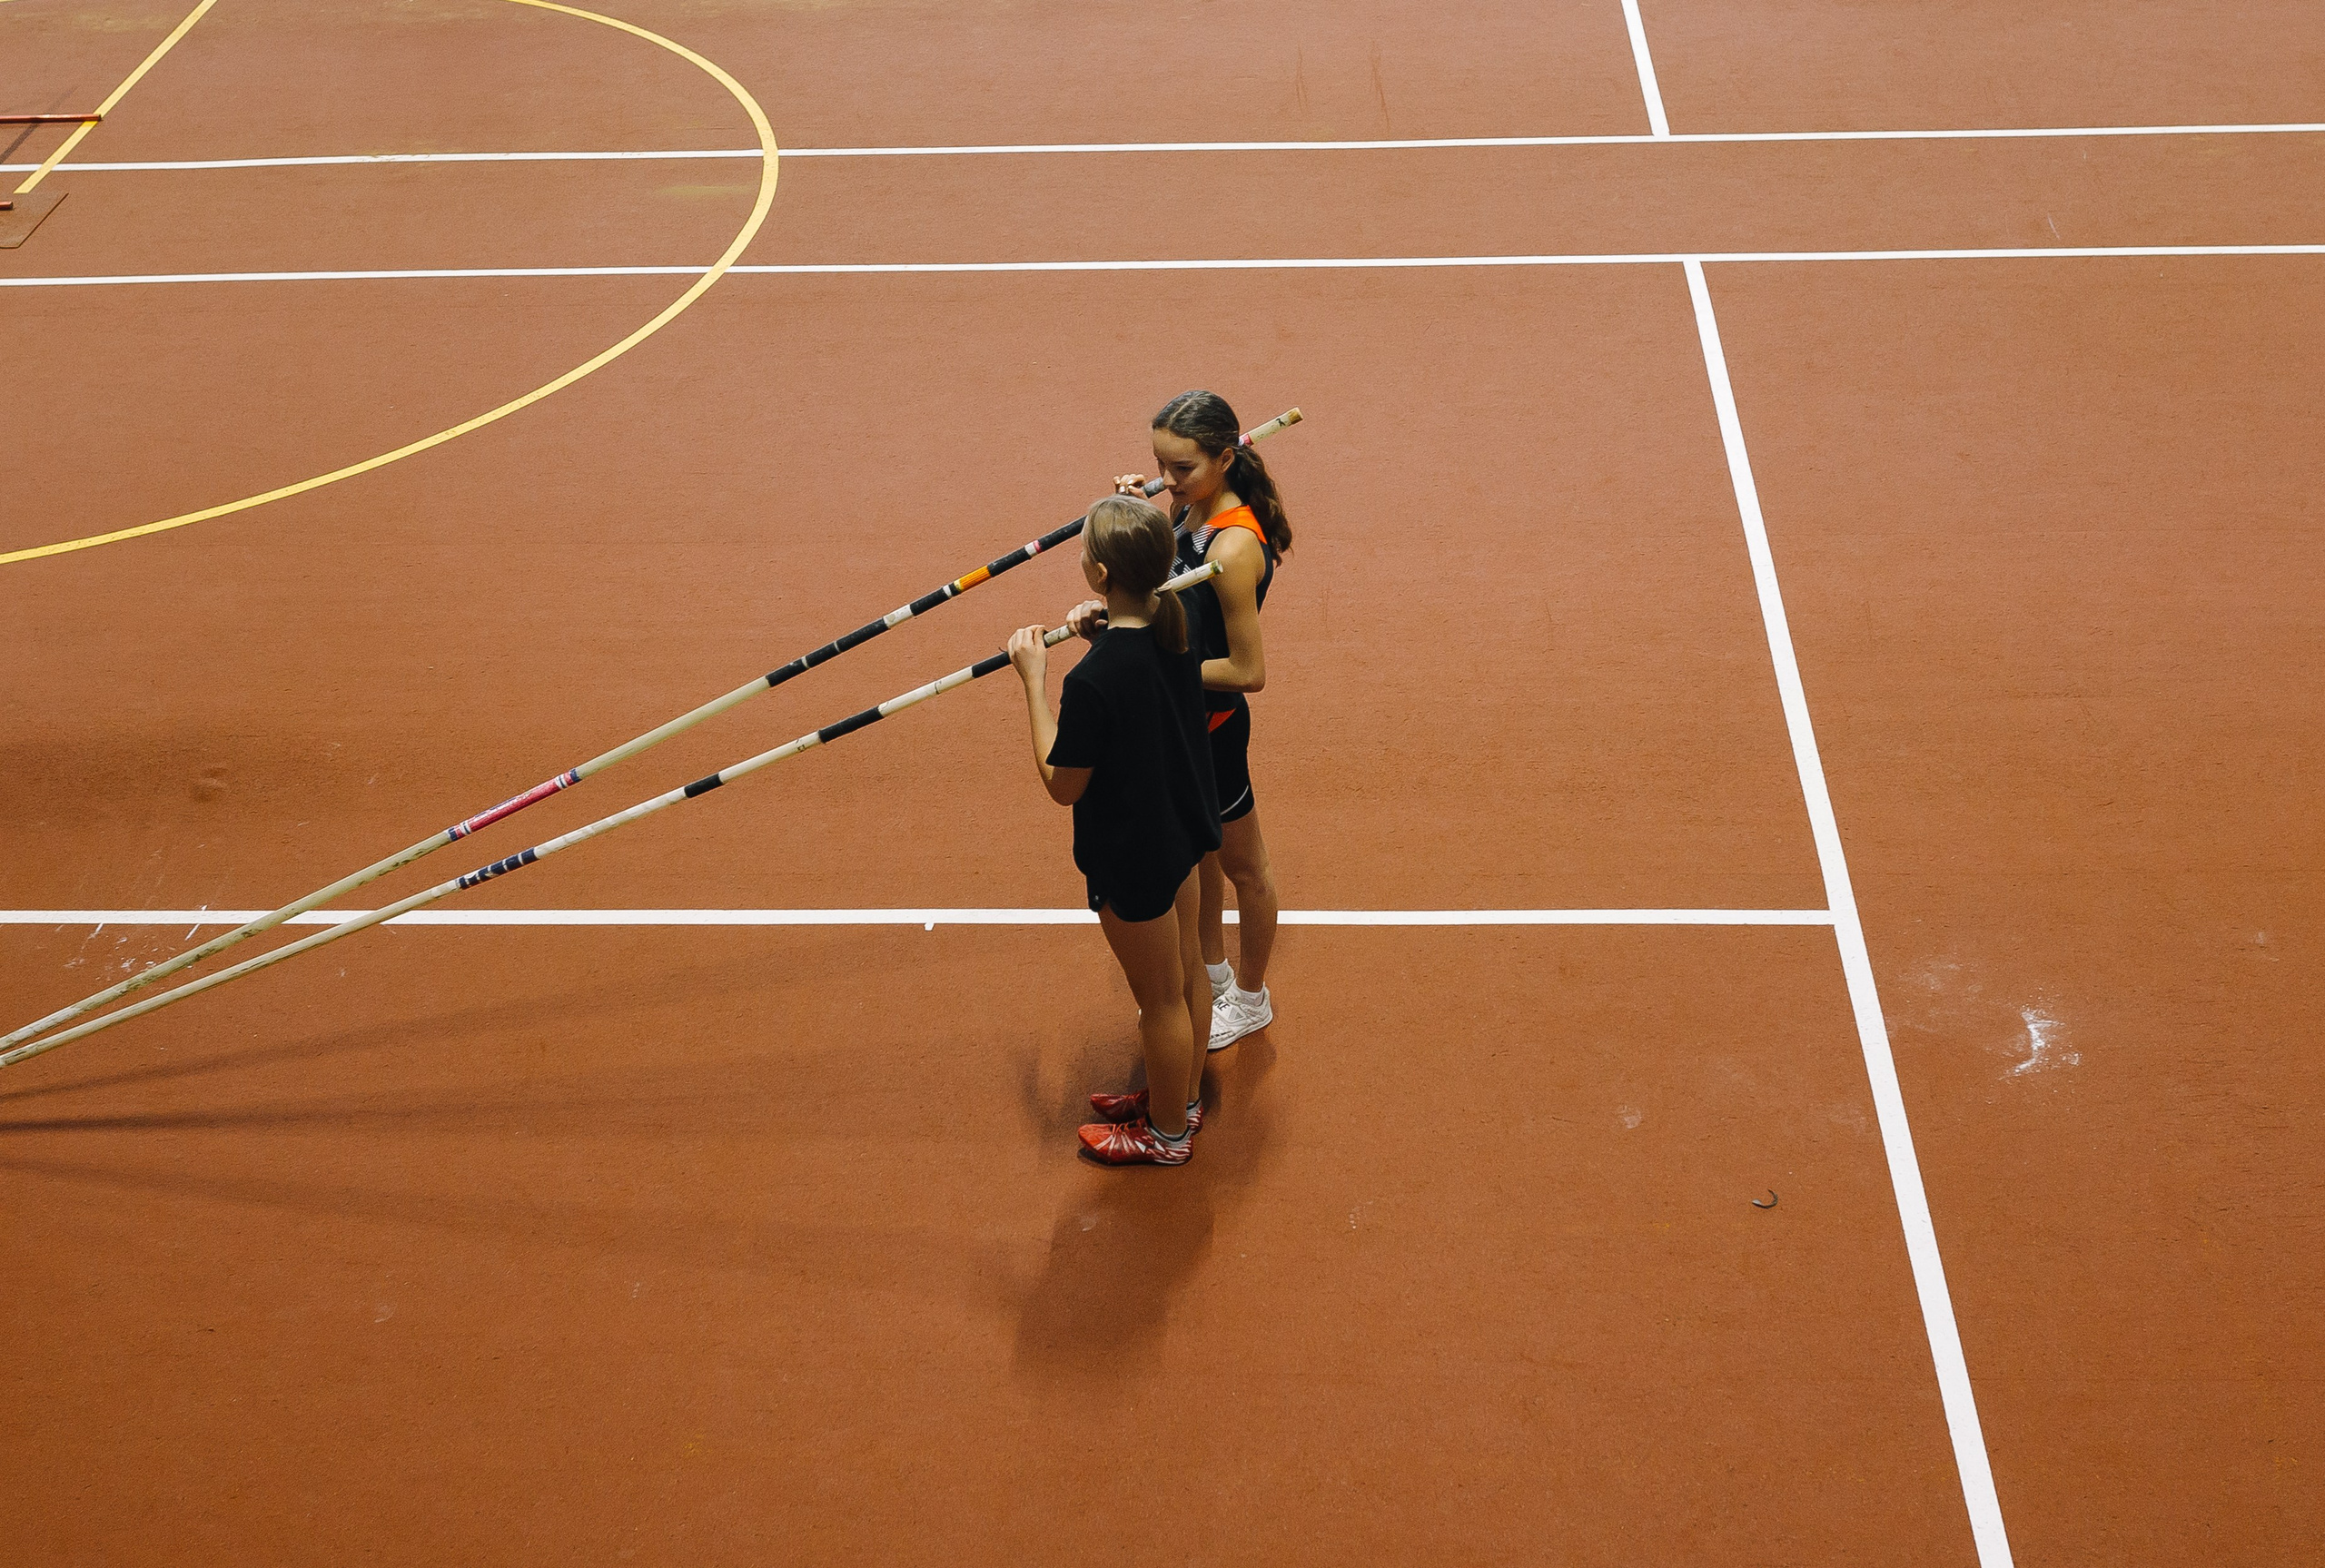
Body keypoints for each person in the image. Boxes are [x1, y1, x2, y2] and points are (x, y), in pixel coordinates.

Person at [1007, 495, 1221, 1165]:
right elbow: (1143, 649)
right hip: (1179, 830)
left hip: (1132, 853)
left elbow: (1062, 781)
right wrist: (1106, 628)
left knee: (1159, 1000)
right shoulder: (1173, 623)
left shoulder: (1092, 680)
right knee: (1187, 972)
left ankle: (1166, 1138)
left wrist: (1035, 683)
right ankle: (1177, 1100)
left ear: (1099, 574)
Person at [1100, 390, 1290, 1053]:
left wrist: (1160, 667)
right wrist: (1137, 509)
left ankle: (1252, 997)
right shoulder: (1189, 505)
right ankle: (1211, 972)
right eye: (1160, 464)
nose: (1167, 479)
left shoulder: (1235, 546)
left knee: (1245, 868)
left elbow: (1247, 671)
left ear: (1225, 457)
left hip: (1213, 731)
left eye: (1180, 468)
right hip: (1181, 724)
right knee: (1198, 856)